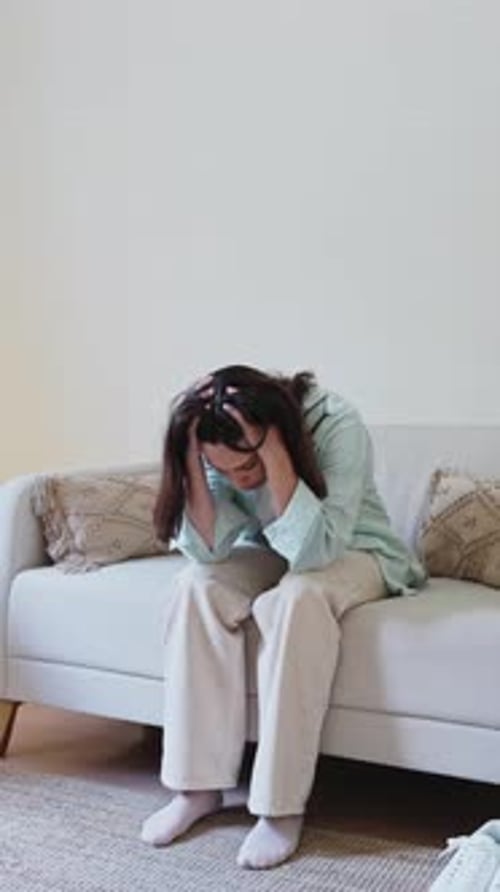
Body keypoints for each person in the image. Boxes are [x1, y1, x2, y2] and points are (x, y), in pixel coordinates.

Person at [140, 364, 426, 869]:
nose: (239, 478)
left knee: (297, 597)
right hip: (273, 548)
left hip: (356, 551)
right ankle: (196, 788)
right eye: (224, 470)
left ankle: (279, 807)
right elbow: (207, 551)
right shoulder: (217, 436)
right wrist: (190, 456)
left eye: (246, 465)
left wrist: (273, 451)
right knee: (194, 587)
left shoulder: (336, 422)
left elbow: (317, 551)